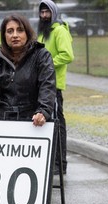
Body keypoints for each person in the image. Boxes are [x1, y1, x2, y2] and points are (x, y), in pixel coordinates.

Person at [0, 14, 56, 130]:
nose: (15, 35)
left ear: (27, 33)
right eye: (10, 31)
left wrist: (43, 111)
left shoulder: (41, 55)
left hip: (33, 121)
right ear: (4, 35)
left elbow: (47, 85)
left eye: (20, 30)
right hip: (3, 119)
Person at [37, 0, 74, 175]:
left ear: (54, 13)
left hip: (54, 85)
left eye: (47, 12)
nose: (44, 16)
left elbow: (67, 55)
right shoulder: (43, 33)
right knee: (47, 123)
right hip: (41, 84)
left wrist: (48, 65)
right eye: (42, 12)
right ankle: (50, 161)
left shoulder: (59, 31)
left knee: (57, 124)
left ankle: (61, 164)